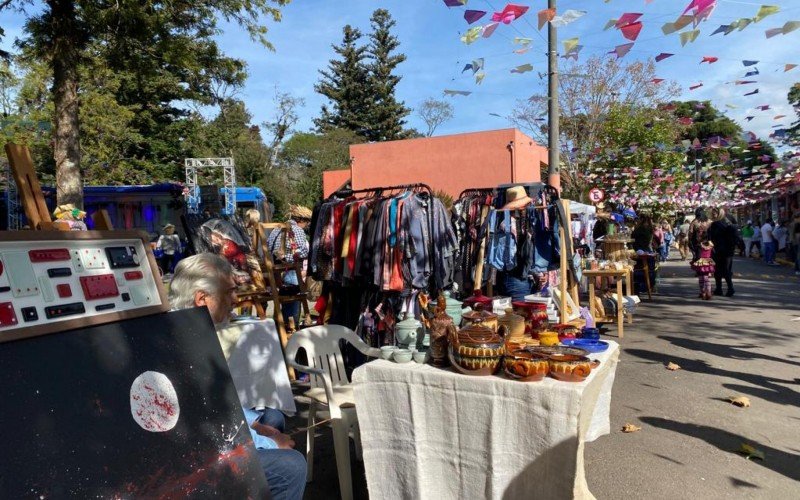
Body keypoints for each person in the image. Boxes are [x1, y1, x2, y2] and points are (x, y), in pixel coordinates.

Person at [169, 254, 307, 500]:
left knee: (272, 416)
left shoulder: (194, 330)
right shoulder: (183, 345)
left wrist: (255, 423)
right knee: (291, 466)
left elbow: (221, 405)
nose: (236, 299)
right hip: (192, 456)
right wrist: (272, 444)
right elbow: (211, 425)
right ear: (202, 299)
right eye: (229, 292)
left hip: (208, 434)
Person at [267, 205, 311, 327]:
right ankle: (291, 328)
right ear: (301, 220)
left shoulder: (276, 229)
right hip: (291, 270)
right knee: (294, 300)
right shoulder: (297, 230)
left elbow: (269, 247)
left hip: (277, 271)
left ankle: (282, 326)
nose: (307, 225)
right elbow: (302, 252)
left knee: (284, 299)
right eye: (307, 223)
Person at [707, 208, 736, 297]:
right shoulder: (729, 222)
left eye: (714, 214)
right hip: (729, 250)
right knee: (726, 270)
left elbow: (710, 238)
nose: (713, 215)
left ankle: (723, 289)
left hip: (719, 250)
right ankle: (727, 288)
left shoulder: (715, 225)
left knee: (719, 270)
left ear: (719, 214)